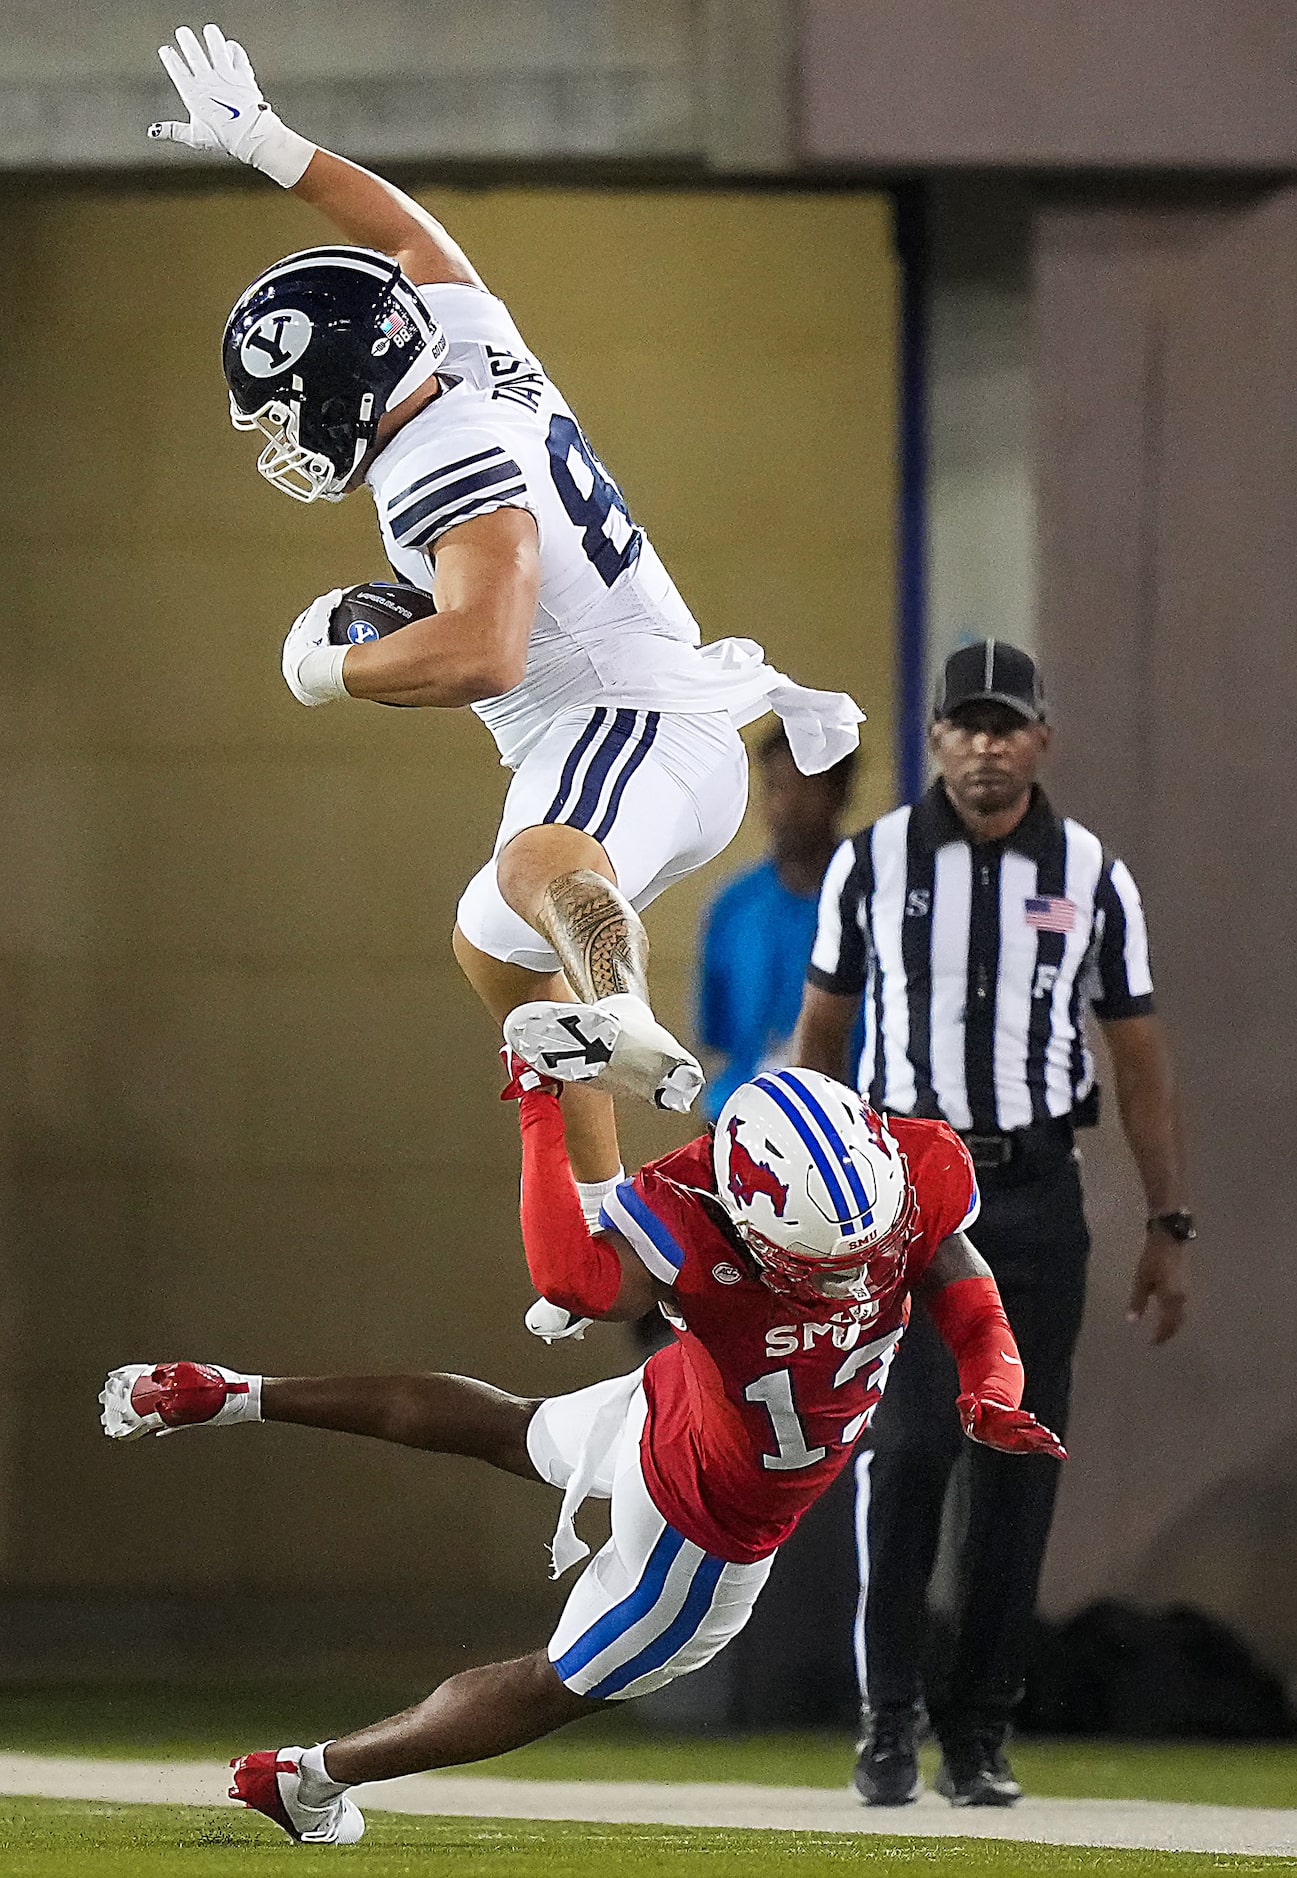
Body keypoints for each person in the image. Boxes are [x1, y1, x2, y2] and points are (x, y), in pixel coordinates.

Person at [148, 24, 863, 1211]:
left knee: (538, 867)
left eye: (285, 409)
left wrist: (337, 672)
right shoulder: (463, 351)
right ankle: (603, 1208)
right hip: (608, 732)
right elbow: (409, 238)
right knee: (492, 942)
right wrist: (271, 145)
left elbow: (485, 651)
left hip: (628, 724)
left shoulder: (435, 450)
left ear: (339, 390)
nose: (284, 436)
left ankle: (623, 1008)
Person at [100, 1059, 1062, 1846]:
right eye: (818, 1265)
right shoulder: (690, 1212)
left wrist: (993, 1385)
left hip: (669, 1409)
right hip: (709, 1524)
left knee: (511, 1428)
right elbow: (567, 1278)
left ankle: (234, 1394)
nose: (852, 1276)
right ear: (744, 1212)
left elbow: (961, 1282)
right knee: (553, 1686)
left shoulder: (908, 1164)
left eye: (865, 1248)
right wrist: (537, 1108)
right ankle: (309, 1779)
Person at [794, 639, 1194, 1808]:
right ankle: (886, 1719)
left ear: (1041, 740)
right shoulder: (869, 866)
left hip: (1032, 1193)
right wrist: (802, 1196)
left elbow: (1139, 1059)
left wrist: (1168, 1220)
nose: (984, 745)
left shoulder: (1088, 873)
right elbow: (818, 1035)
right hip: (904, 1191)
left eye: (1004, 725)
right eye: (963, 726)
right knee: (908, 1452)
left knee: (1016, 1466)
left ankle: (977, 1733)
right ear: (933, 741)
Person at [697, 725, 858, 1120]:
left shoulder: (872, 900)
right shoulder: (733, 906)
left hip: (850, 1126)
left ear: (839, 793)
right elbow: (716, 1038)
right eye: (775, 786)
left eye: (805, 786)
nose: (787, 804)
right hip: (740, 1120)